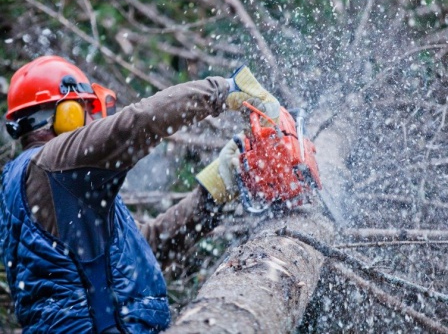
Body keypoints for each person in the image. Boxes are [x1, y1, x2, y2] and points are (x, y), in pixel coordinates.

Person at [0, 56, 279, 333]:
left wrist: (212, 193)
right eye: (87, 108)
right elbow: (136, 124)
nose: (93, 119)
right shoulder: (53, 165)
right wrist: (223, 90)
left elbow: (143, 252)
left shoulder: (46, 184)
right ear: (67, 114)